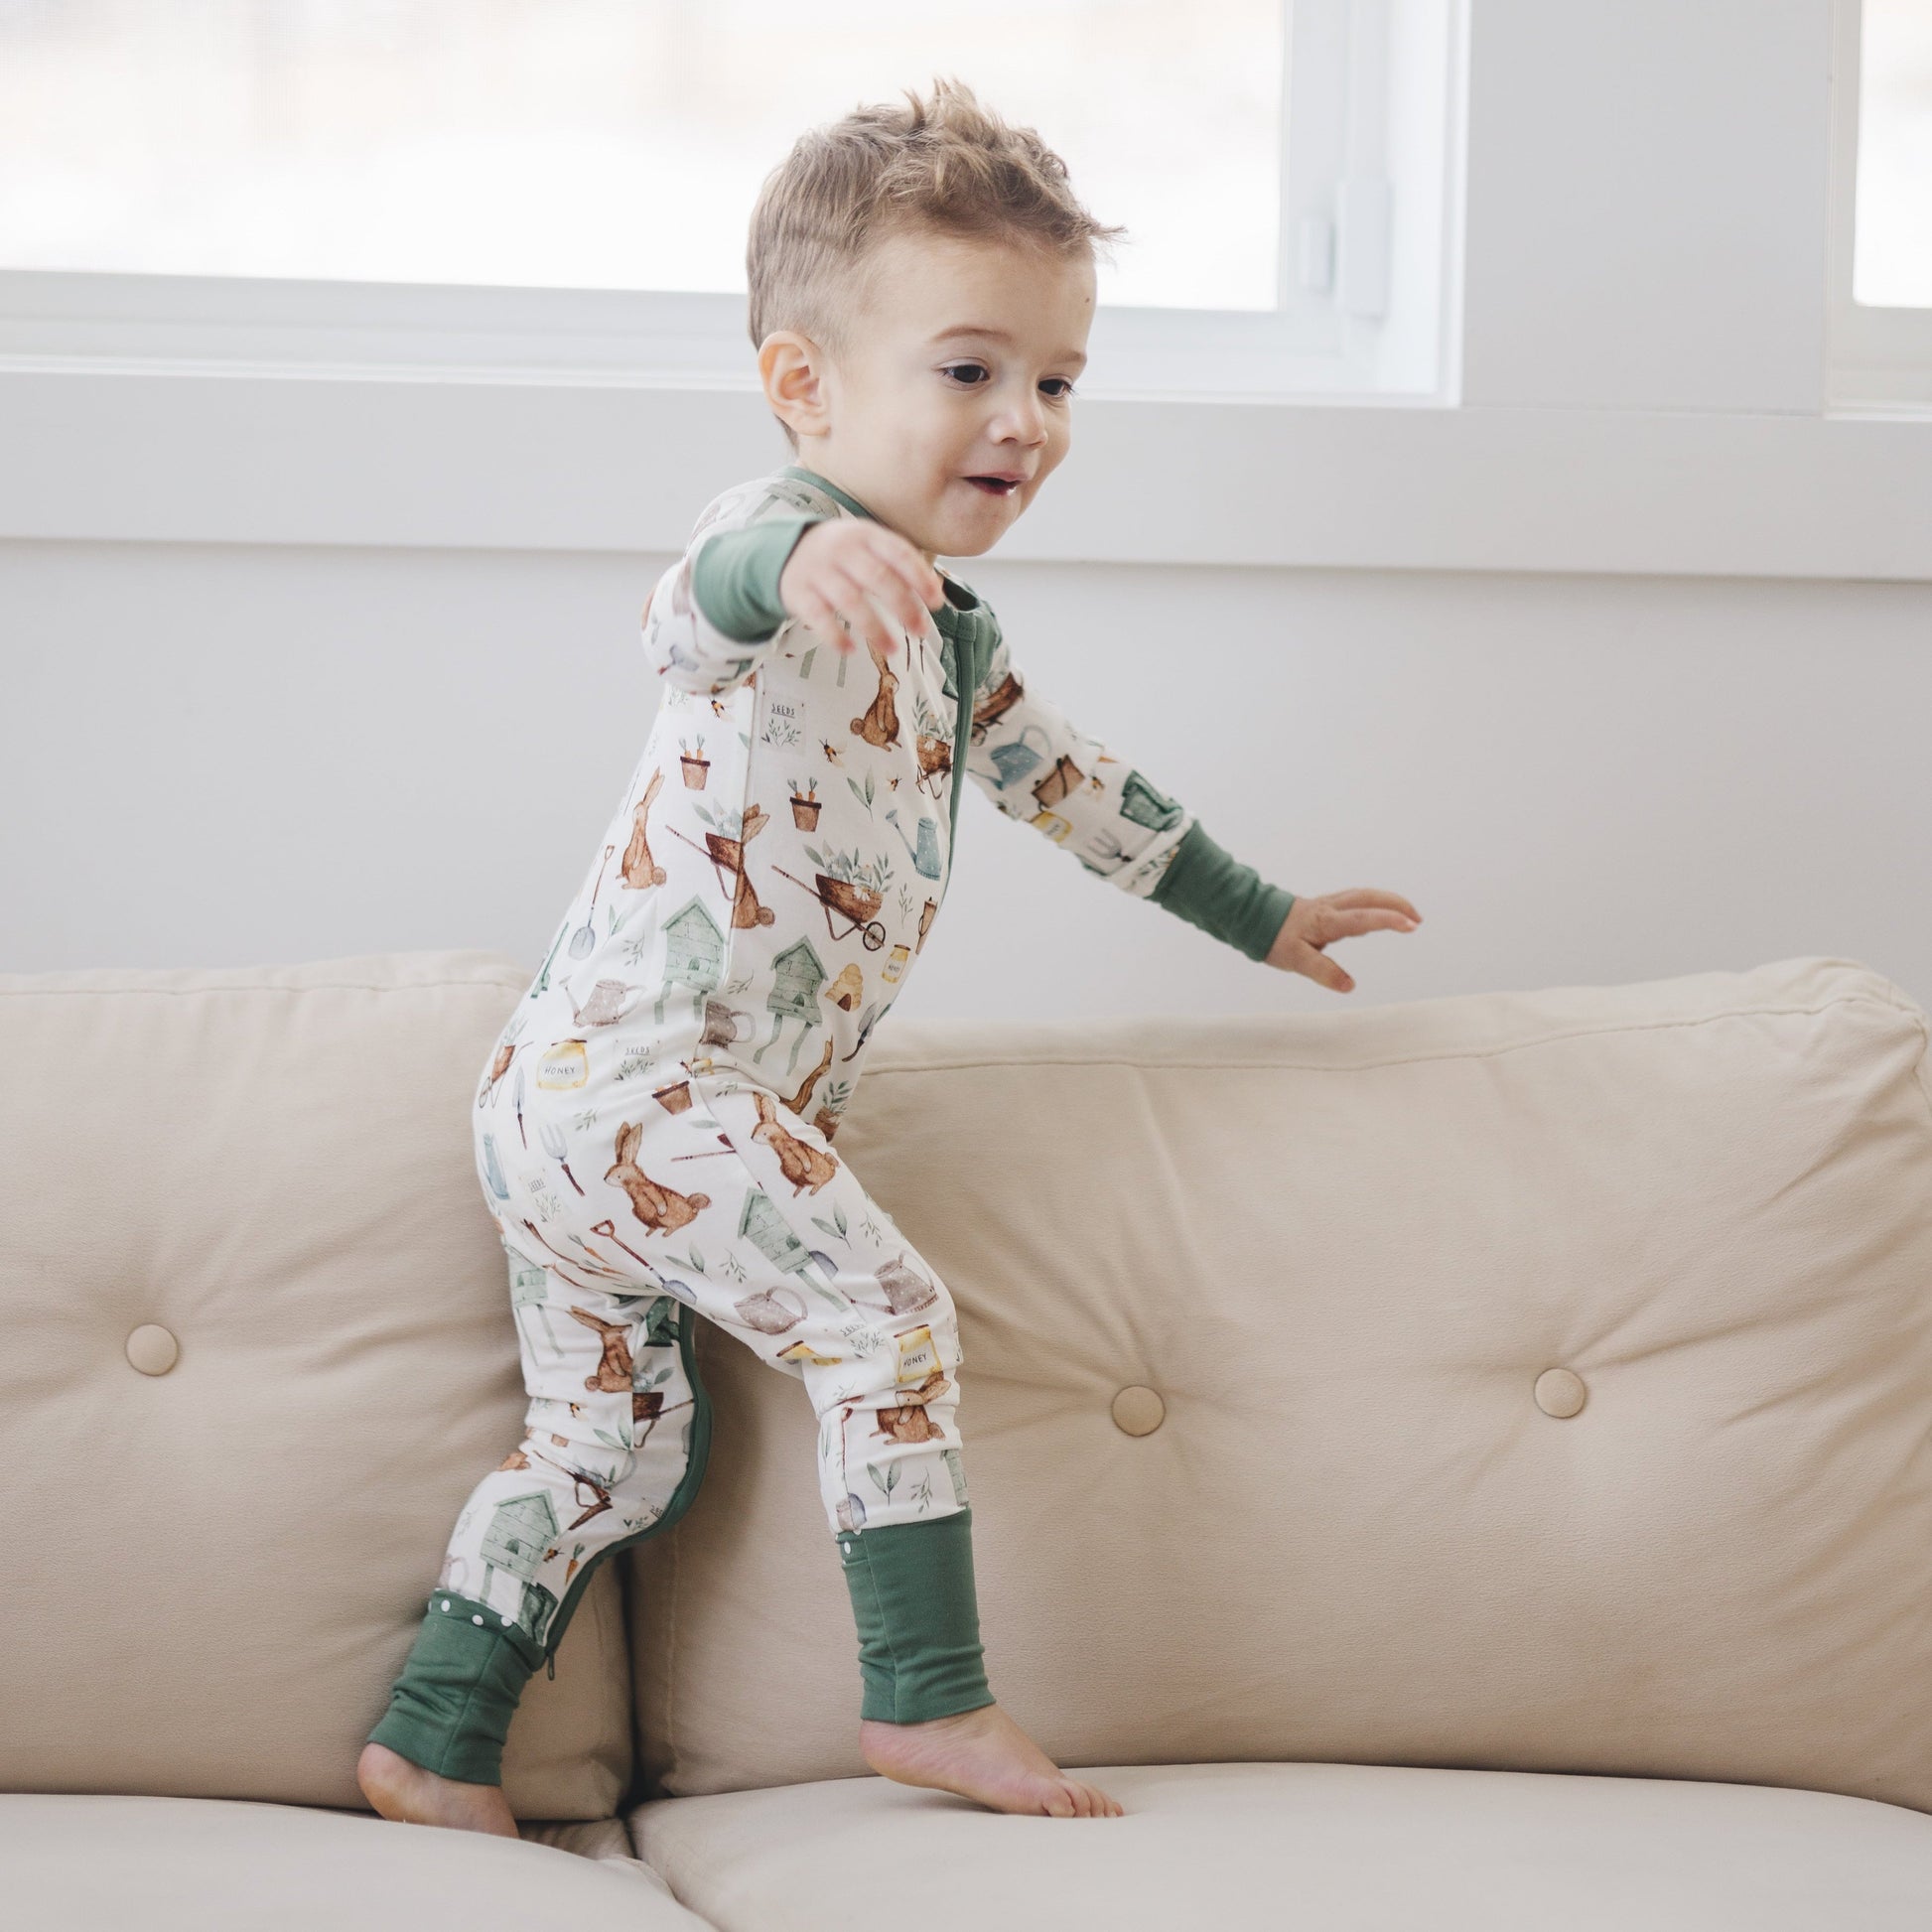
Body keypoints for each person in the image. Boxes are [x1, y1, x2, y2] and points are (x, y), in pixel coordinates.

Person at [358, 72, 1423, 1835]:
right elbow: (687, 604)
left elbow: (1079, 789)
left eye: (1057, 380)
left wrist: (1267, 913)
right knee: (887, 1315)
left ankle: (435, 1732)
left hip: (571, 1119)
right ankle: (928, 1695)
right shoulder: (774, 546)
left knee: (613, 1447)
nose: (1025, 420)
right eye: (969, 368)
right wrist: (795, 558)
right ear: (805, 385)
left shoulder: (952, 636)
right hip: (638, 1091)